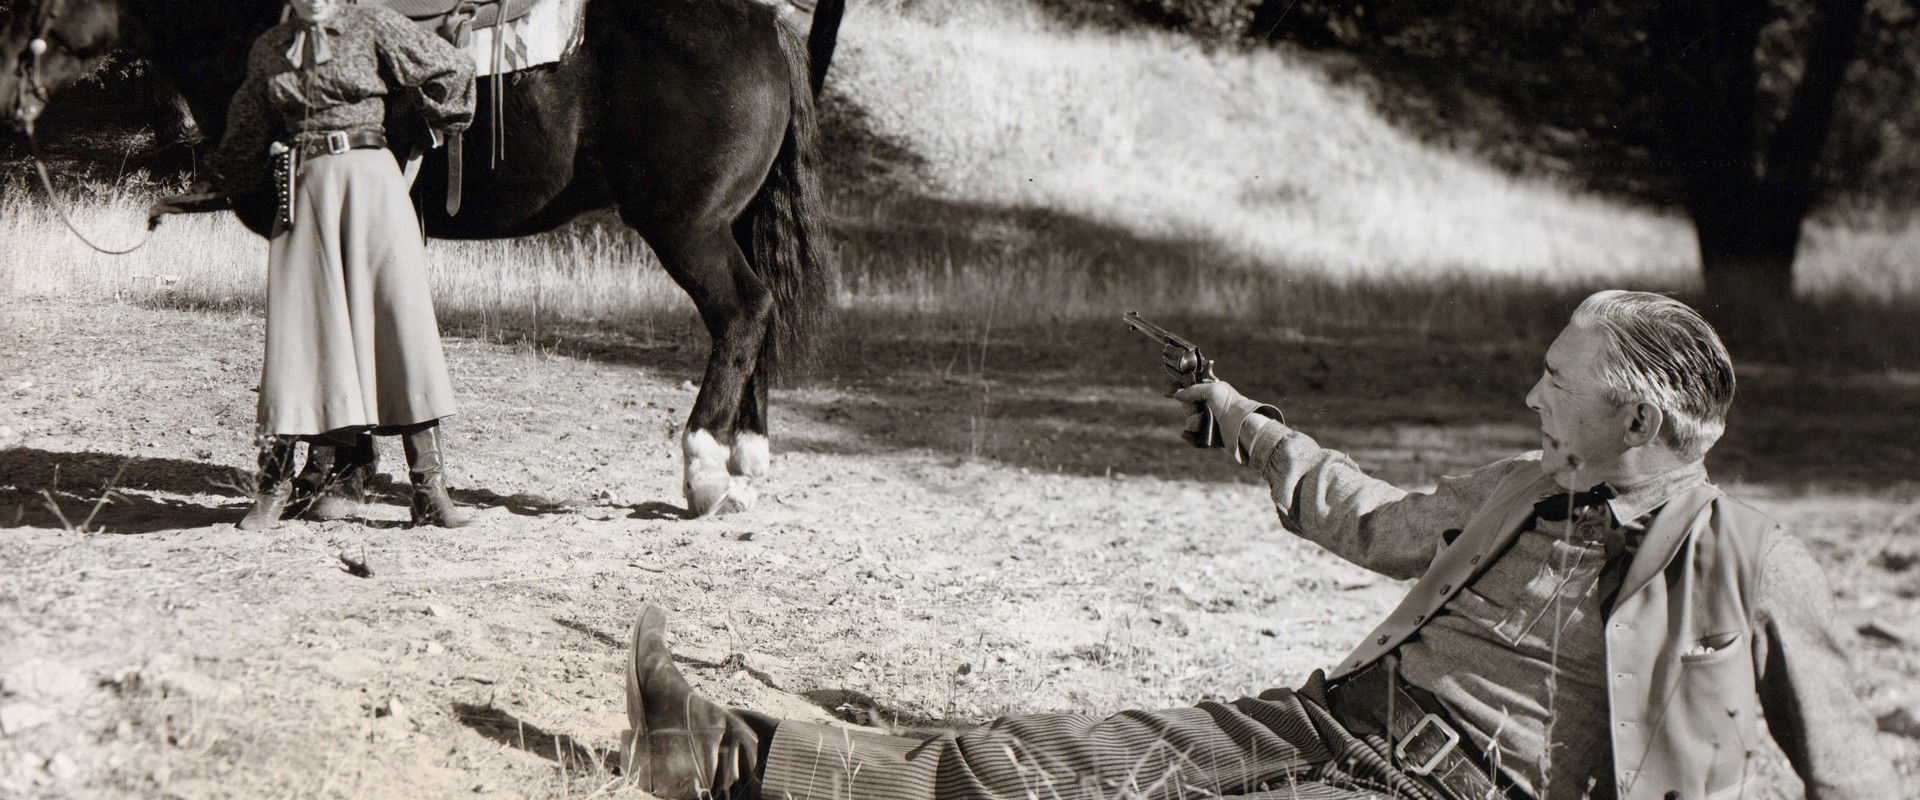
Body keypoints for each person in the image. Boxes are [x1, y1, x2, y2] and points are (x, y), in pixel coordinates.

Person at [617, 291, 1904, 800]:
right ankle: (733, 757)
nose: (1528, 395)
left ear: (1634, 412)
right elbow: (1373, 518)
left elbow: (1845, 769)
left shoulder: (1749, 556)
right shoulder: (1525, 480)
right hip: (1342, 718)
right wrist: (1244, 424)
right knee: (1065, 753)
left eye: (1553, 377)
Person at [153, 0, 476, 529]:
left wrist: (433, 125)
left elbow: (452, 66)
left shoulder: (373, 23)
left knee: (402, 326)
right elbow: (245, 133)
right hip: (305, 193)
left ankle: (429, 490)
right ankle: (272, 490)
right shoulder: (269, 49)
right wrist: (194, 193)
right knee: (299, 337)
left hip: (373, 185)